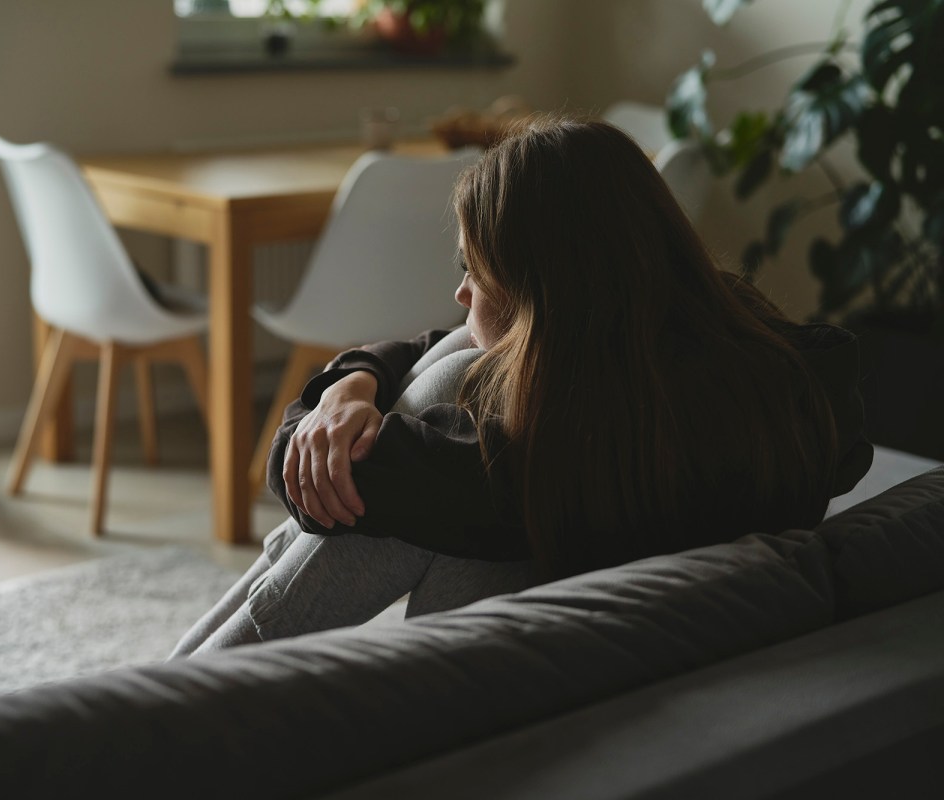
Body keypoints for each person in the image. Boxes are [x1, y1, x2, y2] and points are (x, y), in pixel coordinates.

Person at [169, 114, 872, 658]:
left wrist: (332, 411)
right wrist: (350, 385)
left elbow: (307, 479)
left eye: (476, 274)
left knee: (449, 375)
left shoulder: (526, 464)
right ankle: (162, 692)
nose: (460, 291)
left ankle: (163, 710)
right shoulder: (747, 366)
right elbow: (428, 345)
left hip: (546, 680)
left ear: (546, 300)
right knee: (456, 351)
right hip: (636, 623)